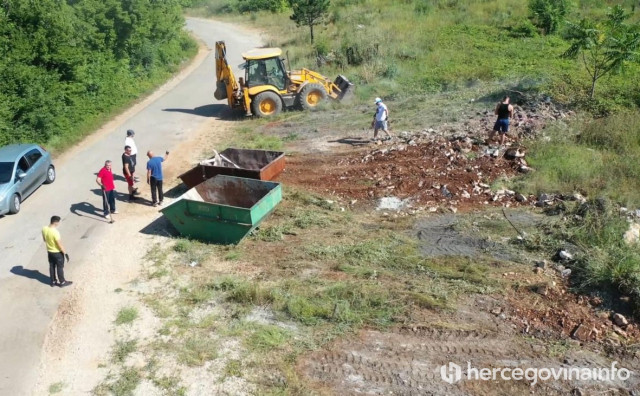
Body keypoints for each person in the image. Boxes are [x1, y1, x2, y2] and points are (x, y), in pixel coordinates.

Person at [42, 216, 72, 287]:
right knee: (59, 267)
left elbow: (44, 240)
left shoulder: (44, 228)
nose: (59, 223)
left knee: (52, 266)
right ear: (55, 222)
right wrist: (65, 253)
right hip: (57, 253)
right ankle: (62, 282)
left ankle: (53, 281)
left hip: (49, 252)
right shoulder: (55, 232)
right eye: (58, 222)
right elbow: (59, 245)